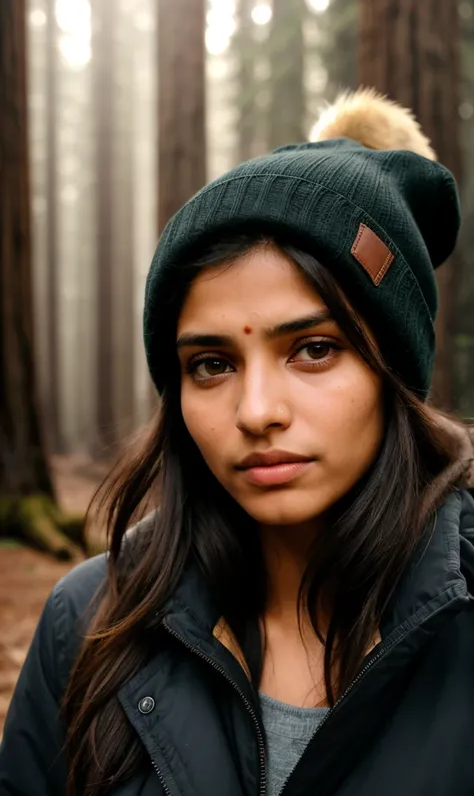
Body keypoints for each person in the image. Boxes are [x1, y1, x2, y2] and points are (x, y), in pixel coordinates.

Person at [1, 89, 474, 796]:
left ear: (394, 372)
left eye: (313, 349)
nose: (256, 411)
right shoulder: (89, 622)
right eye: (212, 364)